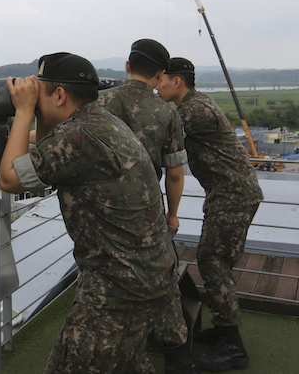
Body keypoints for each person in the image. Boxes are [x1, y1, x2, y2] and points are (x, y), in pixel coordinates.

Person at [0, 52, 179, 373]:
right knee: (128, 361)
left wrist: (24, 110)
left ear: (59, 95)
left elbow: (10, 179)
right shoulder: (99, 121)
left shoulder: (80, 137)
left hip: (119, 289)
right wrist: (40, 114)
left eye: (40, 93)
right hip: (146, 276)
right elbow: (49, 150)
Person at [96, 39, 196, 374]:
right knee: (163, 280)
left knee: (105, 281)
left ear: (127, 66)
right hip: (149, 212)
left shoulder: (100, 102)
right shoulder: (166, 112)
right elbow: (176, 173)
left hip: (104, 212)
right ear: (161, 73)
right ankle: (176, 357)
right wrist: (172, 214)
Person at [157, 57, 262, 371]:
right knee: (215, 260)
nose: (157, 86)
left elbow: (157, 135)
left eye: (161, 80)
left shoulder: (193, 111)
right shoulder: (196, 103)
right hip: (230, 193)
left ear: (177, 82)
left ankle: (233, 347)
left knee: (212, 261)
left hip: (233, 195)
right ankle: (222, 328)